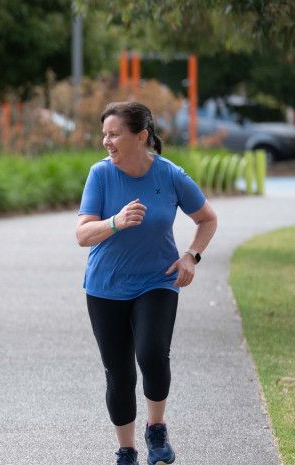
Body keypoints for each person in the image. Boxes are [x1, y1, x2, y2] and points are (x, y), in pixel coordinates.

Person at [76, 102, 218, 465]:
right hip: (105, 286)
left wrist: (191, 257)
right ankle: (126, 450)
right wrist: (115, 222)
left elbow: (207, 219)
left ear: (141, 137)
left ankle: (156, 430)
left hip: (158, 280)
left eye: (114, 134)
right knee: (118, 371)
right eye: (104, 133)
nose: (106, 141)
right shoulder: (101, 175)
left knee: (152, 354)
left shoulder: (170, 175)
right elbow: (82, 234)